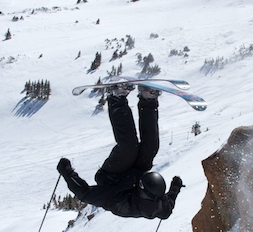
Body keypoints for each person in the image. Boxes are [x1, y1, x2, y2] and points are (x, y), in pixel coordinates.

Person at [57, 84, 184, 219]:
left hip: (113, 178)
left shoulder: (116, 200)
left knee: (129, 147)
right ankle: (148, 99)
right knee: (151, 147)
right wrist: (175, 188)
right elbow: (168, 209)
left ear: (142, 190)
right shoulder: (159, 205)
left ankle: (117, 98)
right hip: (136, 172)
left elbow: (84, 193)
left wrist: (66, 172)